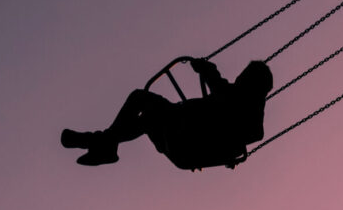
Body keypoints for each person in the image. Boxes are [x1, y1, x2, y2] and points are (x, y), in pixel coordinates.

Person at [61, 58, 273, 169]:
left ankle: (101, 143)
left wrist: (207, 70)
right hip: (179, 126)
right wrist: (207, 71)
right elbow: (223, 90)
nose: (238, 78)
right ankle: (105, 144)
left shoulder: (245, 108)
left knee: (143, 104)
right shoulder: (237, 97)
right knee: (144, 111)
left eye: (243, 77)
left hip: (187, 136)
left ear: (251, 84)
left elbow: (223, 92)